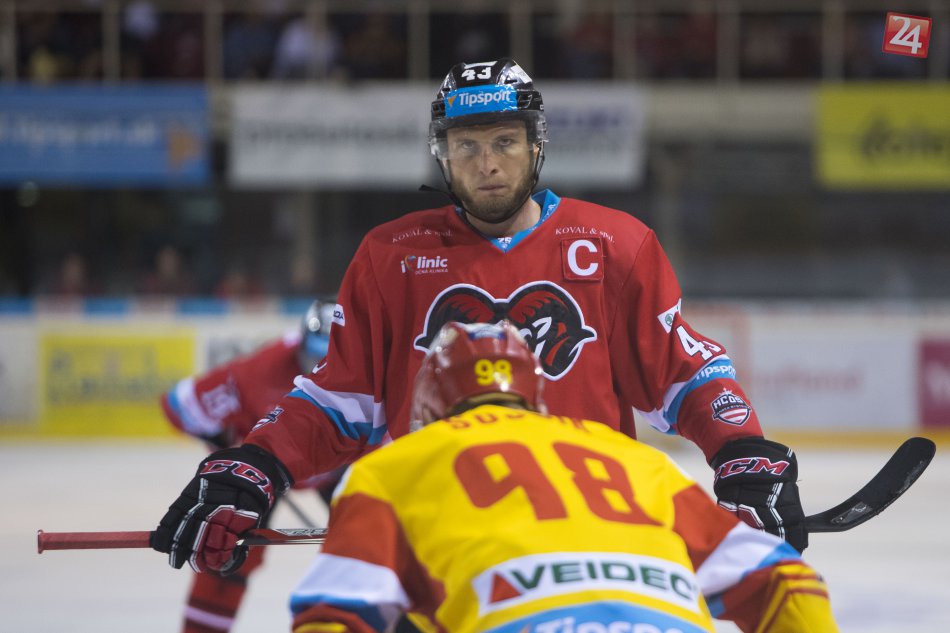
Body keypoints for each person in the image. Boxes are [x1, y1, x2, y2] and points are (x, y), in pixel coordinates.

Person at [151, 58, 810, 580]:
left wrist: (740, 448)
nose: (486, 163)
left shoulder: (616, 246)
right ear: (442, 153)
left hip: (590, 535)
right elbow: (338, 399)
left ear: (536, 145)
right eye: (465, 144)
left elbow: (685, 372)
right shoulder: (390, 256)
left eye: (504, 141)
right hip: (440, 541)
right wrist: (258, 463)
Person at [289, 321, 839, 632]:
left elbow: (333, 615)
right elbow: (787, 582)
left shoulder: (389, 469)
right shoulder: (636, 459)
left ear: (428, 406)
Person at [160, 298, 340, 633]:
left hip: (340, 463)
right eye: (314, 358)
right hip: (273, 462)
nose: (321, 370)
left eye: (333, 360)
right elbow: (179, 405)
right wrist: (228, 444)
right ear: (299, 346)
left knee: (376, 543)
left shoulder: (377, 369)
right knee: (223, 543)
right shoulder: (256, 373)